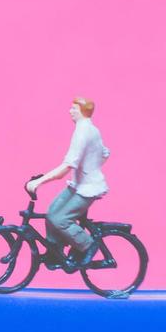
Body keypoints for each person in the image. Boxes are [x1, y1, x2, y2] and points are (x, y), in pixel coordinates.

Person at [26, 97, 110, 269]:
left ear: (82, 111)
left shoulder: (83, 131)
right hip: (79, 183)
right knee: (52, 213)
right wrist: (90, 166)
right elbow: (104, 153)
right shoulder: (89, 128)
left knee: (60, 219)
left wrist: (40, 181)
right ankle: (55, 251)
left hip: (88, 188)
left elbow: (67, 166)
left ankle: (87, 245)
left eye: (73, 108)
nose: (70, 111)